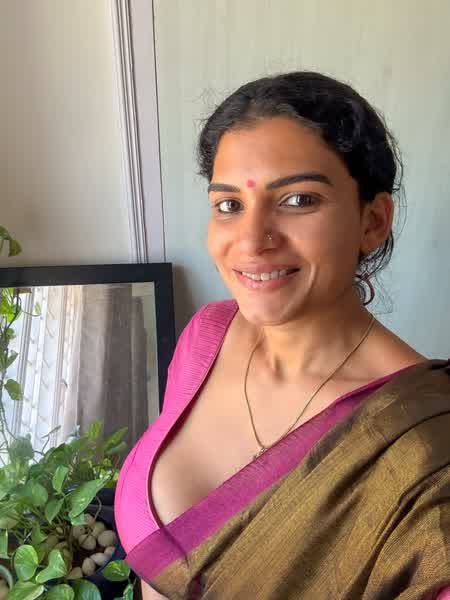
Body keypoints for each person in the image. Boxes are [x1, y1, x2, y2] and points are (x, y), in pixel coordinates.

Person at [114, 72, 450, 599]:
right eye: (229, 205)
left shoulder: (424, 454)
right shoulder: (207, 337)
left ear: (372, 221)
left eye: (297, 200)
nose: (252, 241)